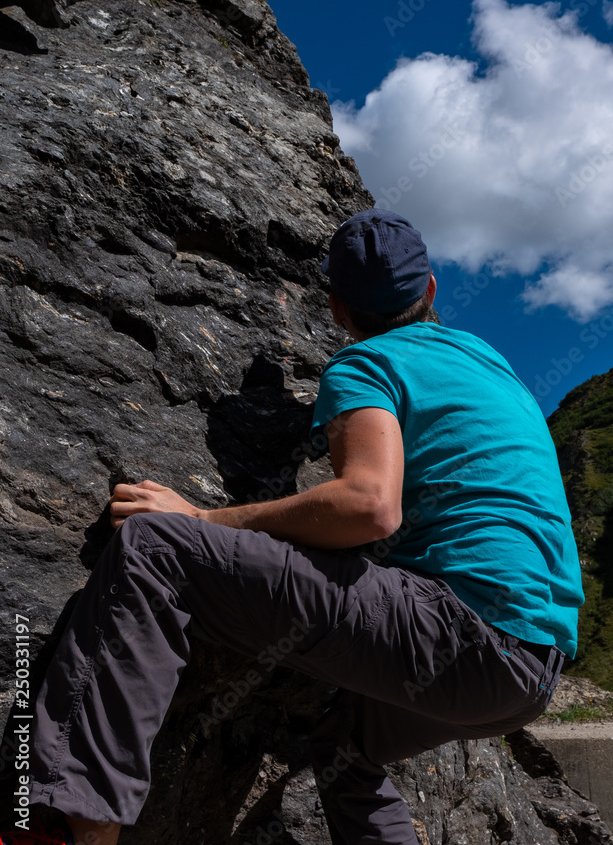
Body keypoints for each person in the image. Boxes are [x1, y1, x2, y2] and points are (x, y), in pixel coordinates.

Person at [11, 208, 584, 845]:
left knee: (153, 548)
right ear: (430, 289)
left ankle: (73, 832)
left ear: (337, 308)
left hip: (465, 633)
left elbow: (369, 505)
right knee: (346, 748)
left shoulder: (366, 364)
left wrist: (201, 517)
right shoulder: (488, 361)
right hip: (532, 667)